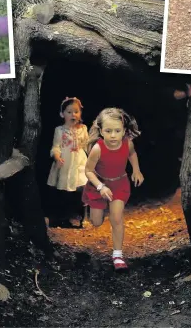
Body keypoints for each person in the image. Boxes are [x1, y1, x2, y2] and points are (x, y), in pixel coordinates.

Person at [82, 108, 143, 271]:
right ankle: (94, 208)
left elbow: (132, 154)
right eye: (108, 131)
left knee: (116, 218)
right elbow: (88, 171)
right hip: (98, 185)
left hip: (119, 184)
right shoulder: (97, 149)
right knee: (97, 222)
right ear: (101, 131)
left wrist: (136, 170)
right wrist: (100, 186)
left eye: (117, 131)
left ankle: (117, 256)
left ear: (124, 130)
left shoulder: (127, 143)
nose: (113, 135)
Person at [47, 97, 90, 228]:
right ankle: (63, 217)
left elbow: (86, 145)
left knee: (83, 189)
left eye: (76, 112)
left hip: (80, 163)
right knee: (64, 191)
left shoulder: (83, 128)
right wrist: (57, 156)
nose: (73, 115)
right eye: (69, 112)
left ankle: (85, 217)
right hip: (65, 164)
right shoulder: (59, 130)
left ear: (80, 114)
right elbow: (56, 146)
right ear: (62, 114)